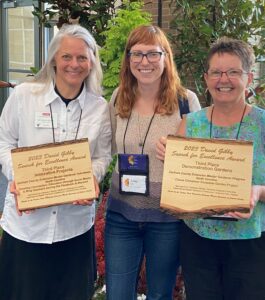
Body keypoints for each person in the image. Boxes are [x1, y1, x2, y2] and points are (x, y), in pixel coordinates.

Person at [156, 37, 265, 300]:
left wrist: (258, 191)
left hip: (255, 244)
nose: (223, 79)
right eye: (216, 72)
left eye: (233, 72)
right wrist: (170, 159)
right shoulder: (190, 124)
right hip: (200, 242)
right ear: (206, 78)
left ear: (248, 78)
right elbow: (183, 183)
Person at [0, 24, 111, 300]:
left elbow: (102, 156)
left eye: (82, 57)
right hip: (26, 230)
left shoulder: (100, 108)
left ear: (91, 62)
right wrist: (18, 176)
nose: (74, 64)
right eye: (67, 57)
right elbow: (4, 142)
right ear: (53, 60)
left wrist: (91, 178)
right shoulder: (25, 96)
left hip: (74, 230)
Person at [104, 24, 200, 300]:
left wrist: (180, 155)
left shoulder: (186, 101)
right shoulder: (118, 98)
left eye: (153, 54)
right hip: (121, 215)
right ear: (128, 59)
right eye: (137, 54)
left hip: (166, 218)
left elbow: (198, 163)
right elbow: (106, 149)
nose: (144, 61)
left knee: (160, 294)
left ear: (166, 58)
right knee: (118, 294)